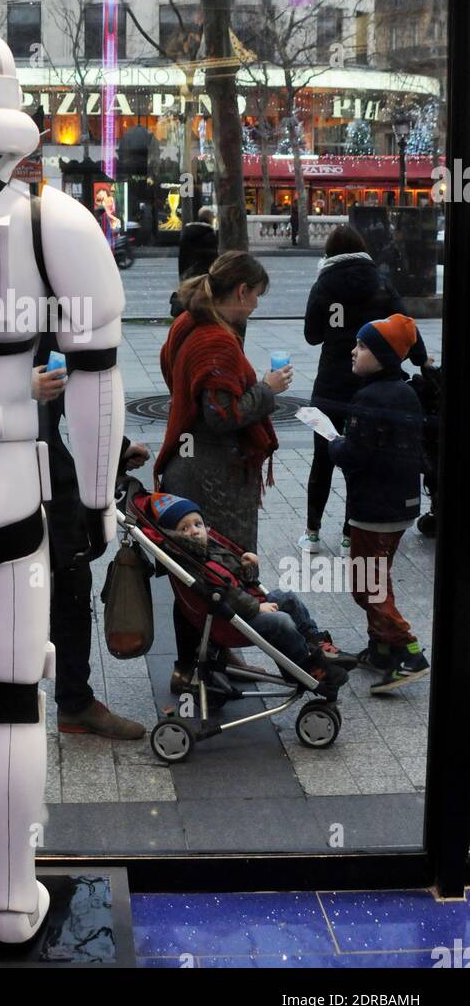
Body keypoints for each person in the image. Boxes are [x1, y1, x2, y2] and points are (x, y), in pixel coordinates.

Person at [0, 342, 149, 739]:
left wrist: (116, 448)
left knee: (73, 585)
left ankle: (76, 702)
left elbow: (76, 392)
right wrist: (16, 386)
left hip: (52, 480)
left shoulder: (47, 319)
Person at [154, 251, 291, 692]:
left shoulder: (186, 322)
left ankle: (209, 655)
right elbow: (221, 414)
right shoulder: (216, 339)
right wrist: (266, 390)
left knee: (195, 573)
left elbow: (175, 376)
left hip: (191, 465)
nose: (256, 306)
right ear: (242, 291)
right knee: (208, 572)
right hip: (212, 477)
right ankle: (193, 667)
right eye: (257, 296)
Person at [300, 225, 431, 551]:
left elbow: (312, 335)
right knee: (360, 462)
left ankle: (312, 533)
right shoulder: (380, 282)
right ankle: (350, 534)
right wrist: (421, 359)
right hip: (370, 386)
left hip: (330, 384)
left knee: (322, 460)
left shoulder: (324, 284)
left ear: (329, 253)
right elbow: (405, 324)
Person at [149, 493, 352, 698]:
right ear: (174, 537)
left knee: (287, 597)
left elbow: (239, 580)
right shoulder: (191, 562)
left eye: (197, 524)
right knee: (280, 621)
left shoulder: (211, 548)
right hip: (230, 620)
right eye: (184, 528)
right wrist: (256, 607)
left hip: (242, 606)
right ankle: (304, 669)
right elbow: (225, 593)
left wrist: (248, 567)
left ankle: (315, 642)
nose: (194, 531)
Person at [328, 315, 430, 693]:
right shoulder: (405, 391)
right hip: (401, 505)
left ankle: (409, 651)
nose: (354, 352)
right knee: (377, 578)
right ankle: (381, 649)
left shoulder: (369, 397)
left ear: (384, 355)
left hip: (373, 508)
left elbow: (356, 455)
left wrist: (334, 444)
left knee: (367, 586)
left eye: (364, 346)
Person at [177, 206, 218, 282]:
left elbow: (182, 256)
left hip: (188, 273)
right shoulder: (209, 234)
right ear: (210, 218)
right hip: (202, 276)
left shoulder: (187, 232)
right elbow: (211, 258)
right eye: (213, 217)